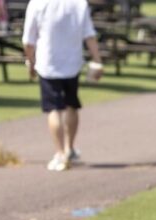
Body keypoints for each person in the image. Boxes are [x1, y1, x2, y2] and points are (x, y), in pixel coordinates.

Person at [22, 0, 104, 172]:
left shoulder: (38, 3)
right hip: (72, 63)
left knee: (54, 110)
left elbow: (29, 40)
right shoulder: (79, 3)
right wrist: (97, 60)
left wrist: (30, 62)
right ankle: (69, 148)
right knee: (71, 106)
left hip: (48, 63)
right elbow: (89, 35)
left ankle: (60, 154)